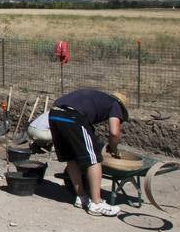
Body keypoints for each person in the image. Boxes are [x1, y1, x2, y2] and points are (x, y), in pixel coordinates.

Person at [48, 87, 130, 217]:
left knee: (71, 157)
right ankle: (97, 203)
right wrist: (113, 147)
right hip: (72, 116)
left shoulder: (99, 98)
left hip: (55, 113)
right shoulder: (115, 105)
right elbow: (114, 133)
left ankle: (82, 198)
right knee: (93, 159)